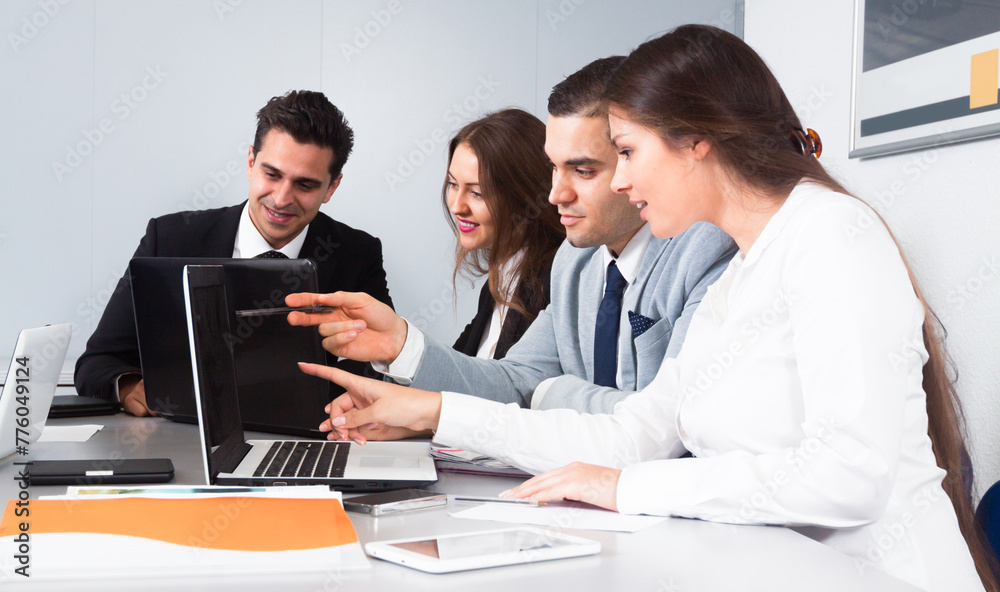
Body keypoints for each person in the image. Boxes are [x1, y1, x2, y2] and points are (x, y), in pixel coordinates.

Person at [299, 26, 996, 592]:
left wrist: (628, 489)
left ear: (698, 140)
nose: (623, 179)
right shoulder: (743, 275)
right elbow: (633, 435)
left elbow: (849, 472)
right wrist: (435, 411)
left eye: (627, 152)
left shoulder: (832, 235)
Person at [287, 57, 736, 422]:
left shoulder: (705, 251)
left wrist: (549, 395)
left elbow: (672, 421)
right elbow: (511, 382)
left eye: (582, 170)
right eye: (554, 168)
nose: (556, 193)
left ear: (630, 158)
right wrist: (402, 346)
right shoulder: (573, 265)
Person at [74, 90, 393, 417]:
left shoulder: (358, 255)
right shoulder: (169, 239)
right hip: (185, 440)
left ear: (332, 187)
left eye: (305, 185)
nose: (282, 199)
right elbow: (97, 364)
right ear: (251, 162)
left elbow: (380, 372)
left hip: (307, 441)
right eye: (272, 174)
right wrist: (130, 388)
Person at [443, 109, 564, 361]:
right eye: (453, 184)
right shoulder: (501, 277)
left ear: (524, 196)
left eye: (477, 193)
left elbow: (511, 387)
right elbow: (456, 370)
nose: (457, 206)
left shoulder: (556, 283)